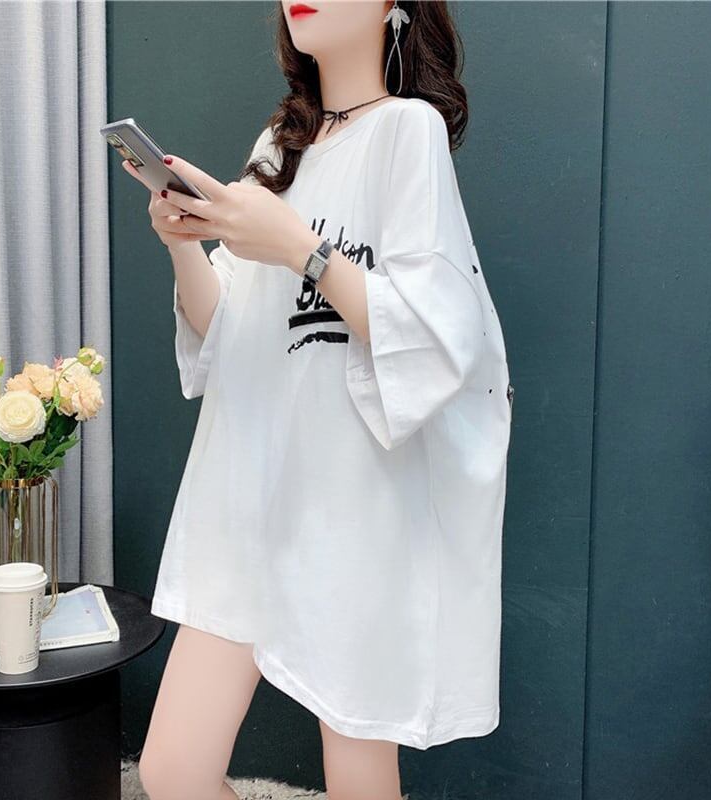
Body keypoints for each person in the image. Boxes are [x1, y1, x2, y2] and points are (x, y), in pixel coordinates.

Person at [123, 2, 513, 799]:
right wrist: (183, 245)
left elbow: (435, 334)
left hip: (354, 506)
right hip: (247, 495)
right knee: (171, 770)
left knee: (358, 775)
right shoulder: (279, 147)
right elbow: (224, 329)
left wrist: (301, 249)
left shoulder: (406, 131)